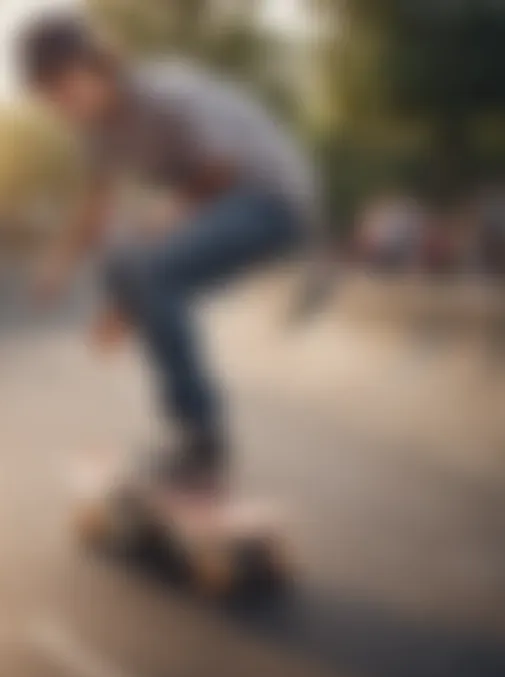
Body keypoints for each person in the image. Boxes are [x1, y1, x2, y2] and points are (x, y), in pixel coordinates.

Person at [16, 14, 320, 492]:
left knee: (156, 267)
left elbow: (224, 167)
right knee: (120, 257)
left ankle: (201, 440)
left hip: (270, 196)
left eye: (69, 88)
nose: (66, 106)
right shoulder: (95, 131)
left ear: (99, 65)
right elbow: (95, 208)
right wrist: (59, 265)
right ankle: (135, 311)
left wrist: (172, 214)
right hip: (219, 204)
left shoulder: (164, 94)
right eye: (52, 100)